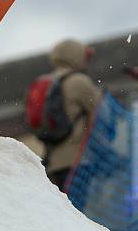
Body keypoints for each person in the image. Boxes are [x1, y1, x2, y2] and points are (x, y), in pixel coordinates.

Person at [40, 38, 103, 191]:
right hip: (77, 161)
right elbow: (102, 112)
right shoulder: (78, 81)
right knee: (78, 212)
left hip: (51, 163)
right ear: (75, 56)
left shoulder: (44, 82)